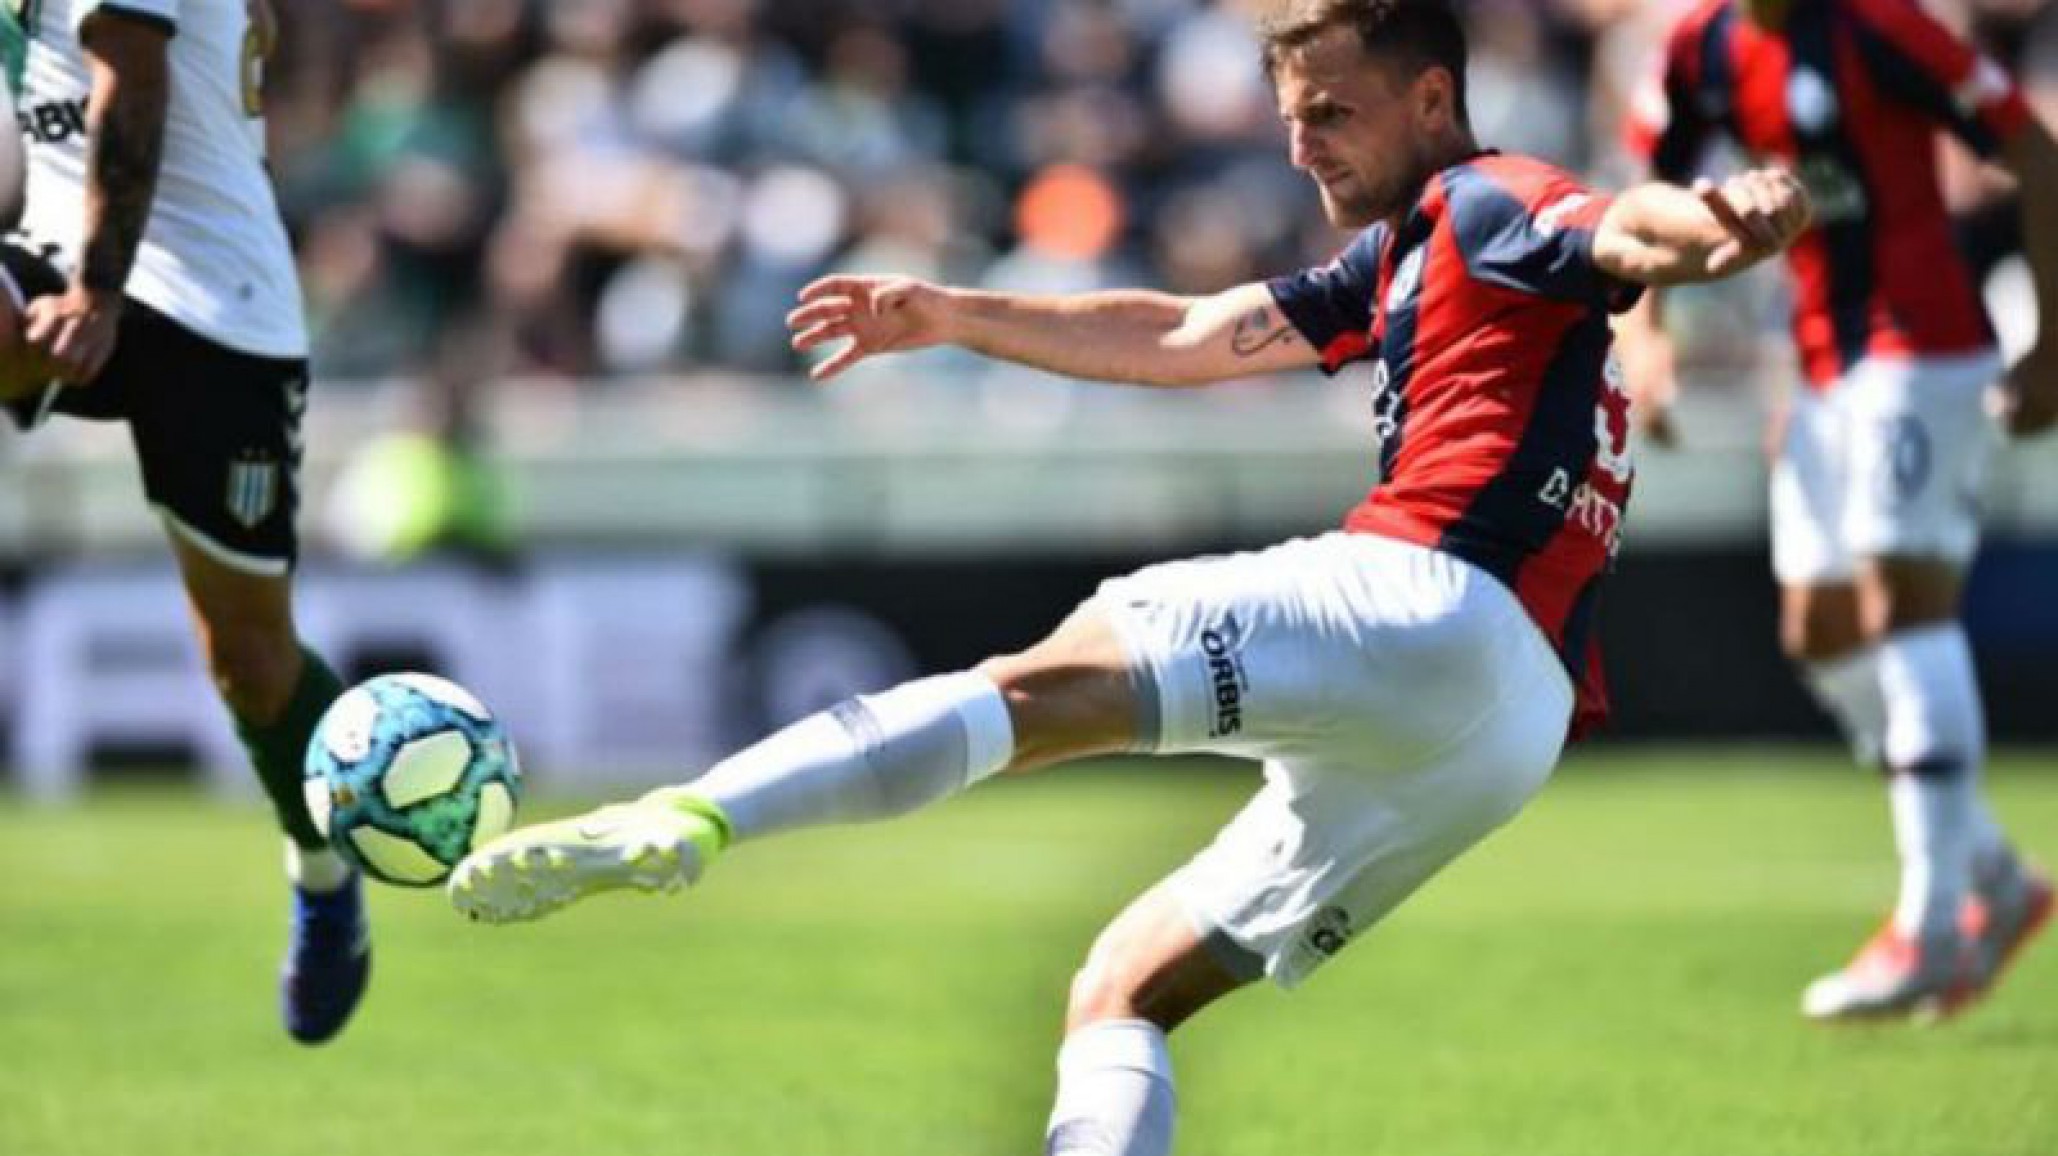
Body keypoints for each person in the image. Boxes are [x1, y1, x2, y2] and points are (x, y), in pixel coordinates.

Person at [450, 2, 1807, 1150]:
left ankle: (688, 821)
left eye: (1331, 111)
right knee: (1119, 989)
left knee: (1034, 690)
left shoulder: (1489, 199)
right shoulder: (1402, 254)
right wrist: (950, 312)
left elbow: (1618, 231)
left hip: (1424, 593)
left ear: (1432, 95)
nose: (1300, 143)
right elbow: (1189, 330)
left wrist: (1710, 224)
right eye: (1290, 114)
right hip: (1504, 723)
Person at [1619, 0, 2058, 1022]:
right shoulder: (1703, 47)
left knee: (1905, 604)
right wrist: (1647, 336)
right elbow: (1640, 186)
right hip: (1822, 365)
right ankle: (1993, 873)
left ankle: (1932, 919)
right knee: (1819, 633)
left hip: (1923, 349)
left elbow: (2035, 150)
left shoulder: (1879, 27)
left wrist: (2053, 343)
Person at [0, 0, 368, 1043]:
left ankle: (324, 875)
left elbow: (134, 78)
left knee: (249, 660)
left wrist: (98, 290)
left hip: (214, 308)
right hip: (55, 255)